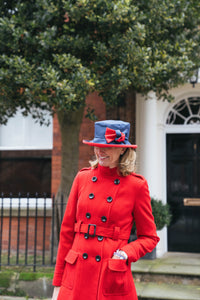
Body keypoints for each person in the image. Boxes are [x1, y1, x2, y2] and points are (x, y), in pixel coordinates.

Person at [52, 120, 160, 300]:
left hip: (109, 274)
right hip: (76, 275)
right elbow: (66, 233)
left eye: (106, 147)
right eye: (97, 146)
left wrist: (126, 253)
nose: (100, 151)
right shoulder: (82, 178)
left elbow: (150, 237)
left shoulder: (136, 186)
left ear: (123, 149)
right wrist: (57, 283)